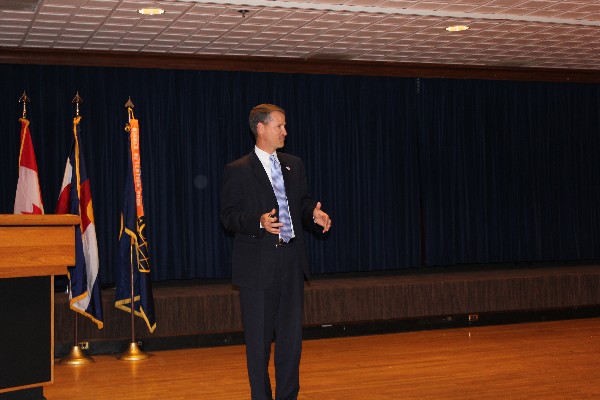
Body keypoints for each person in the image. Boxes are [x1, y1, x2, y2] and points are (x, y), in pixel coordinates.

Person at [220, 104, 332, 400]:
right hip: (257, 267)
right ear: (261, 128)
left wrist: (313, 216)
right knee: (258, 344)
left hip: (291, 261)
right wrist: (257, 221)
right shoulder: (238, 170)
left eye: (284, 126)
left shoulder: (294, 164)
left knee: (291, 342)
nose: (285, 131)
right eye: (279, 126)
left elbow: (303, 203)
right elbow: (229, 216)